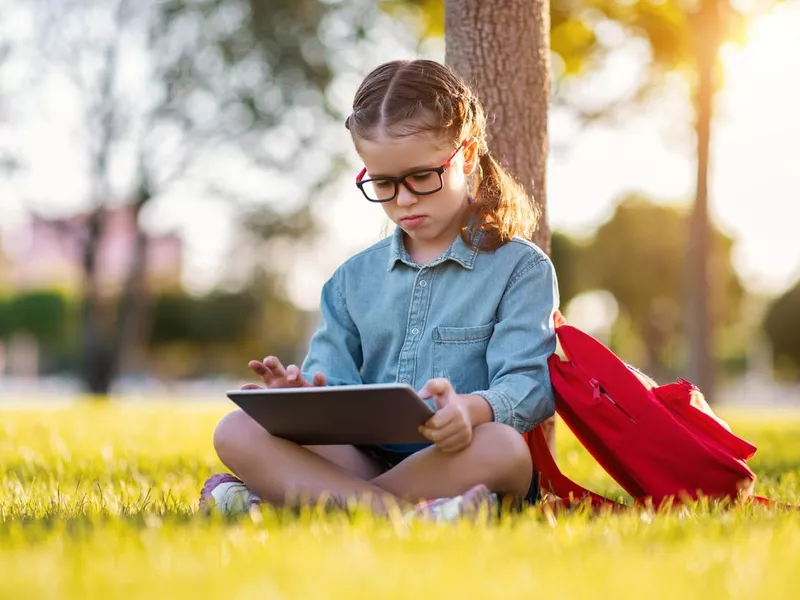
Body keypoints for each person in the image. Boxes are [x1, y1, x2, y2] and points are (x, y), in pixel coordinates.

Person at [200, 59, 560, 522]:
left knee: (505, 449)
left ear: (466, 156)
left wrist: (472, 409)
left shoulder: (520, 267)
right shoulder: (351, 280)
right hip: (362, 459)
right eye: (384, 184)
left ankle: (306, 500)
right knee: (236, 430)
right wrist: (300, 397)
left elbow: (531, 384)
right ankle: (410, 515)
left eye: (422, 177)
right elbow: (334, 387)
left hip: (459, 457)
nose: (404, 199)